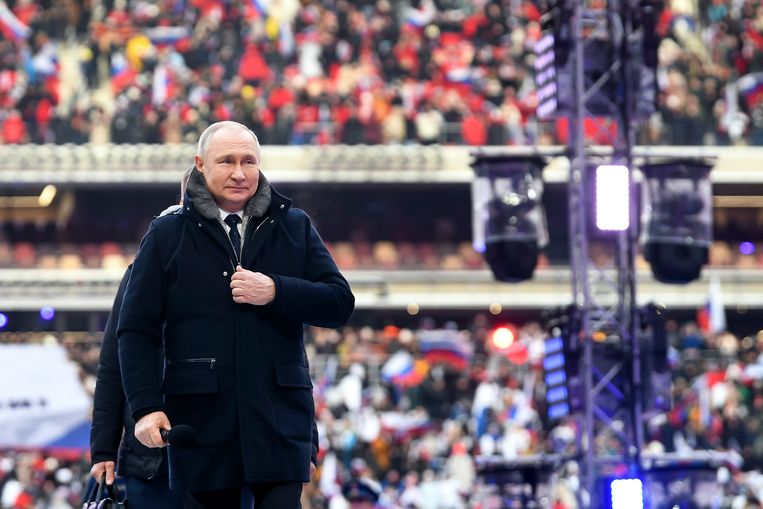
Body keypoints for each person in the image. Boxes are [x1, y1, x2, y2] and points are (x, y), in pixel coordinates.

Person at [117, 121, 355, 508]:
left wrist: (276, 290)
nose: (240, 173)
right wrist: (145, 408)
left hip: (278, 417)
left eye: (249, 161)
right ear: (200, 164)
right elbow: (135, 331)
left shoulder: (294, 225)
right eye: (226, 161)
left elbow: (339, 302)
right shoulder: (166, 234)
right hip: (202, 421)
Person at [89, 171, 192, 508]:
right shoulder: (141, 270)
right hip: (150, 458)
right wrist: (103, 449)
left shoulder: (242, 266)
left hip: (221, 455)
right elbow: (112, 366)